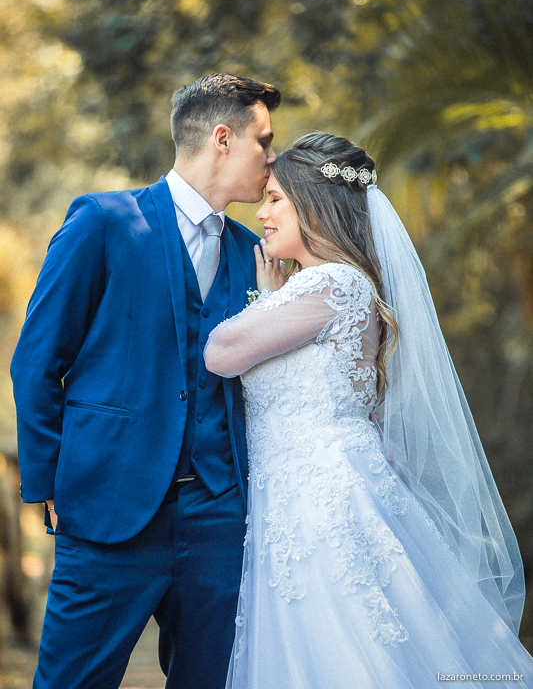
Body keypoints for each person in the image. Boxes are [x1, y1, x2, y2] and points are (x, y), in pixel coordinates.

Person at [204, 132, 533, 689]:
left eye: (277, 199)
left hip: (319, 499)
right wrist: (275, 298)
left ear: (315, 208)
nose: (262, 212)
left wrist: (264, 299)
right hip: (303, 491)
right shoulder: (329, 286)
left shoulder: (333, 284)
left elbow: (220, 352)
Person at [11, 73, 281, 689]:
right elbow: (36, 361)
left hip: (218, 519)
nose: (271, 159)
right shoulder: (104, 222)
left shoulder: (253, 254)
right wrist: (51, 480)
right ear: (222, 138)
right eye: (263, 142)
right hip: (107, 509)